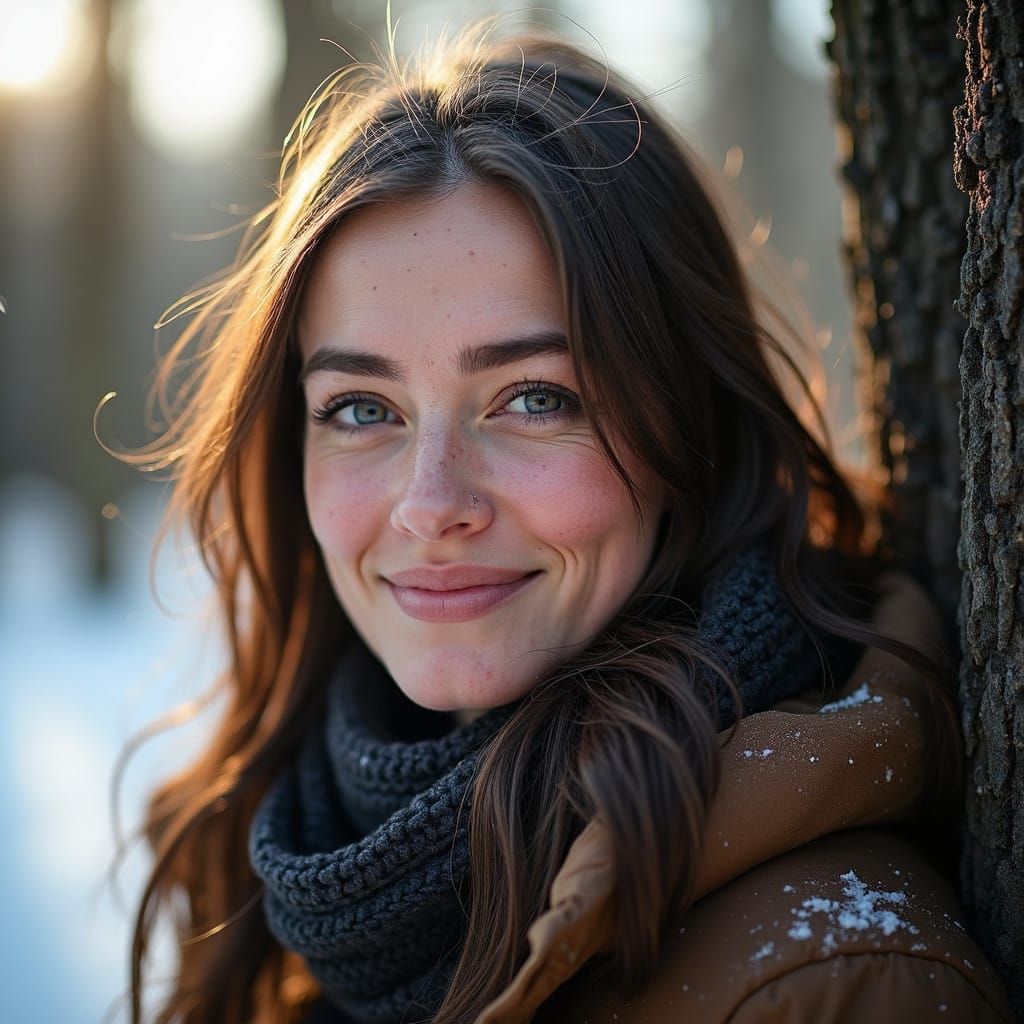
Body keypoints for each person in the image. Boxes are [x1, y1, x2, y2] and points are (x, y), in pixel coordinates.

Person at [116, 19, 1015, 1024]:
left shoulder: (831, 984)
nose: (431, 504)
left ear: (688, 424)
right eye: (362, 409)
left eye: (535, 398)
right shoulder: (287, 862)